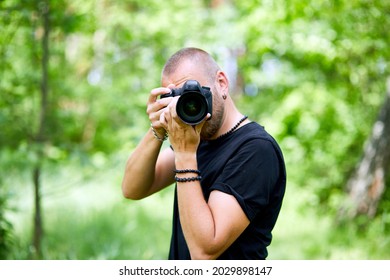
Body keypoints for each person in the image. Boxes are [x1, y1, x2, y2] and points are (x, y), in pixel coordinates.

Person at [122, 47, 286, 260]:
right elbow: (132, 188)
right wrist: (158, 129)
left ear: (221, 83)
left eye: (194, 93)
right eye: (177, 99)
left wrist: (184, 153)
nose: (188, 105)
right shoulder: (195, 137)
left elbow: (204, 252)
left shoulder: (256, 149)